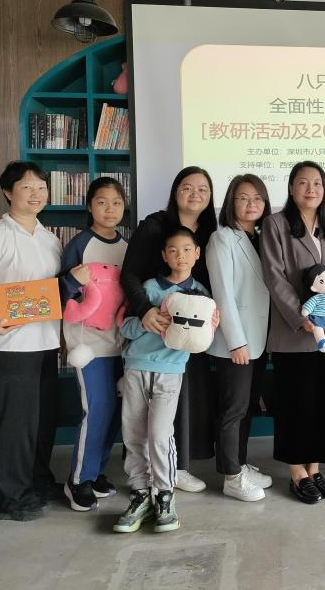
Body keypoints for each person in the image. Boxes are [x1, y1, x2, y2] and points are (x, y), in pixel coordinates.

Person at [0, 161, 62, 521]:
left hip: (46, 341)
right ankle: (11, 498)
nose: (36, 194)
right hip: (10, 344)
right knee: (15, 423)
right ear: (7, 192)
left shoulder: (50, 240)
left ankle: (37, 481)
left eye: (41, 187)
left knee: (42, 420)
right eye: (27, 187)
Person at [113, 227, 218, 534]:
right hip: (136, 367)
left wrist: (213, 325)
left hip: (171, 372)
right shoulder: (149, 287)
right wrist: (146, 322)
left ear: (197, 254)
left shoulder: (202, 295)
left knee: (160, 435)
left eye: (186, 250)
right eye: (173, 250)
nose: (180, 256)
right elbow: (125, 327)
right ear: (163, 255)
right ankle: (140, 494)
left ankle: (165, 495)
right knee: (133, 434)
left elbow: (201, 342)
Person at [120, 166, 217, 492]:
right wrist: (145, 311)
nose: (195, 194)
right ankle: (144, 480)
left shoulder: (209, 231)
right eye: (187, 187)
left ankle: (175, 469)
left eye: (203, 189)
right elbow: (129, 275)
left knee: (179, 407)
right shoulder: (155, 225)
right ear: (175, 191)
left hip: (186, 335)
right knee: (137, 423)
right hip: (148, 332)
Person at [261, 161, 325, 505]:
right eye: (303, 182)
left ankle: (315, 467)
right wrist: (301, 317)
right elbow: (274, 276)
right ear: (291, 188)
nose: (311, 189)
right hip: (294, 329)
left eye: (317, 183)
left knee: (322, 402)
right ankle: (297, 471)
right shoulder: (276, 224)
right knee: (295, 402)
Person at [58, 176, 129, 511]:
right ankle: (78, 481)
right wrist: (73, 280)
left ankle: (96, 472)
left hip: (120, 344)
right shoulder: (79, 244)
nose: (109, 209)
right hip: (88, 345)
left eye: (116, 202)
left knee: (113, 413)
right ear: (90, 206)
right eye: (102, 202)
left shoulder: (127, 246)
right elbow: (60, 293)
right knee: (96, 410)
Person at [206, 174, 273, 502]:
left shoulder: (262, 238)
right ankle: (231, 477)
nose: (251, 204)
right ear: (231, 201)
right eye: (243, 198)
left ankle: (240, 464)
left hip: (259, 339)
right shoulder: (222, 238)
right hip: (238, 342)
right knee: (233, 409)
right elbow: (223, 293)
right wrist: (236, 341)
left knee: (246, 408)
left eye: (257, 198)